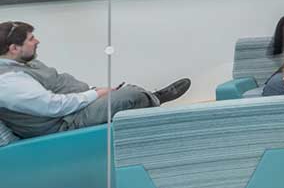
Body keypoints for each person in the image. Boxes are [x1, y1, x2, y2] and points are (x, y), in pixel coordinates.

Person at [0, 21, 189, 137]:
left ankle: (151, 105)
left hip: (72, 110)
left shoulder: (22, 64)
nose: (37, 41)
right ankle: (157, 100)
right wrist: (95, 94)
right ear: (14, 48)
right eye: (31, 39)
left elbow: (59, 84)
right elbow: (53, 106)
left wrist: (95, 91)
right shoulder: (9, 83)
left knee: (123, 93)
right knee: (130, 95)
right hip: (64, 123)